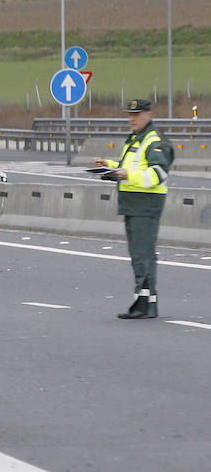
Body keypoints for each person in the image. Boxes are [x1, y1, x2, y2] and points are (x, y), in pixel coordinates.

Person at [93, 99, 174, 319]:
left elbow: (159, 173)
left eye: (136, 114)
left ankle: (145, 304)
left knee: (142, 254)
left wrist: (127, 175)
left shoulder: (154, 140)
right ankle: (145, 302)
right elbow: (130, 168)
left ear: (148, 114)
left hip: (145, 203)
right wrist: (109, 166)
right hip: (132, 203)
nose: (131, 119)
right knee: (139, 253)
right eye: (129, 114)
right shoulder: (136, 138)